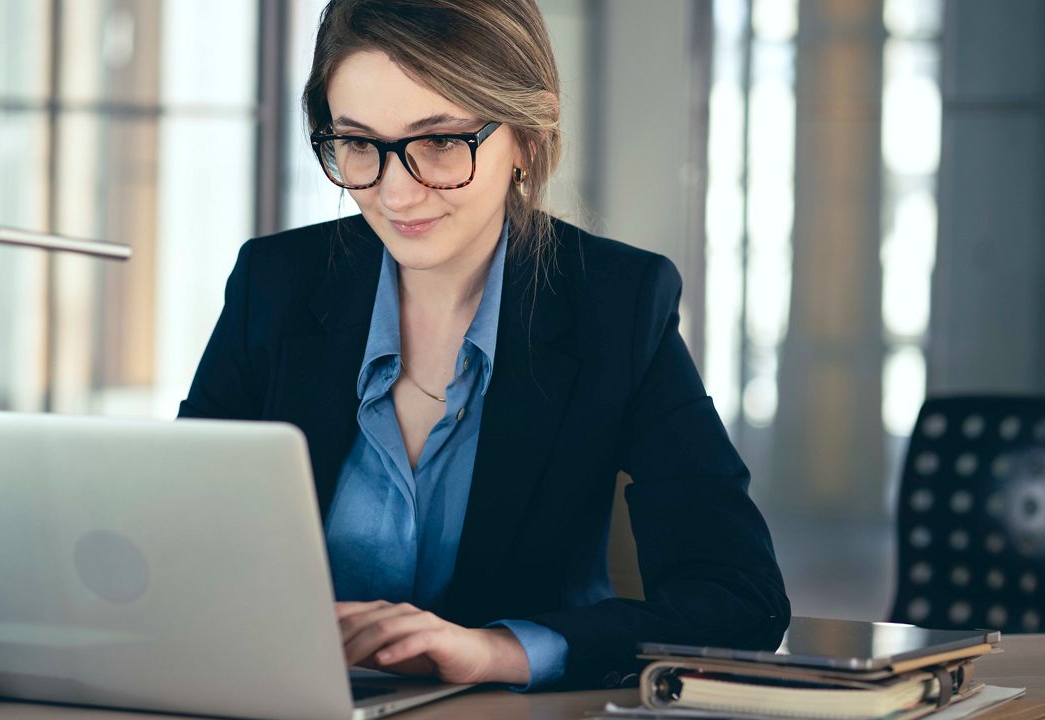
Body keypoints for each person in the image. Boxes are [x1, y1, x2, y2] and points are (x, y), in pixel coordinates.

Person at [179, 0, 789, 691]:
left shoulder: (615, 308)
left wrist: (499, 651)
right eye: (357, 143)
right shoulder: (276, 284)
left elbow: (741, 599)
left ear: (527, 136)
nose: (397, 192)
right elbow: (177, 547)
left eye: (440, 142)